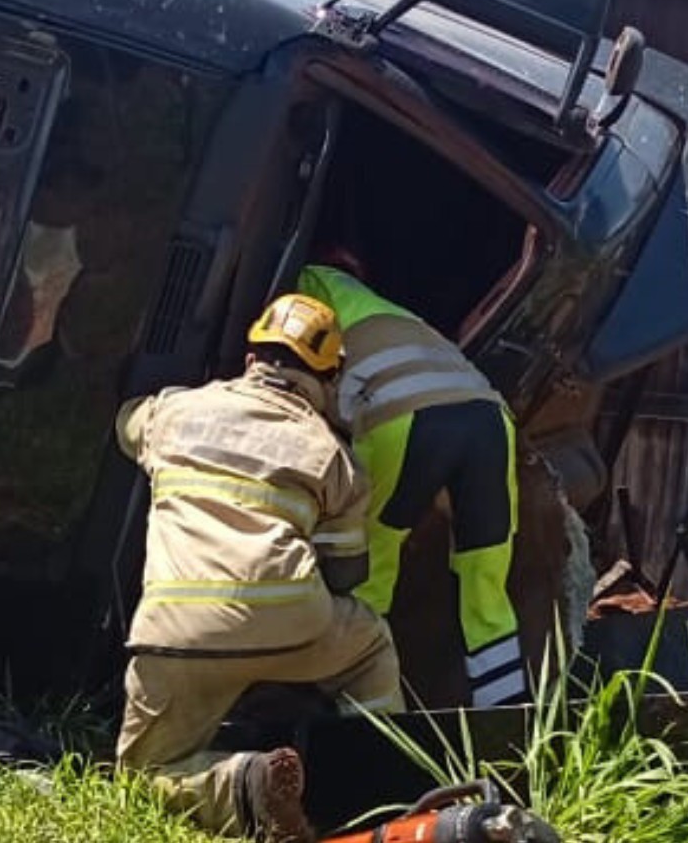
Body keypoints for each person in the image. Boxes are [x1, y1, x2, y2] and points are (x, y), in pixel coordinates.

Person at [113, 293, 404, 842]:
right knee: (370, 644)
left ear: (251, 359)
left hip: (177, 634)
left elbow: (127, 421)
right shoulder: (333, 455)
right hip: (292, 624)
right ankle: (378, 789)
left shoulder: (175, 413)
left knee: (143, 775)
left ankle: (242, 784)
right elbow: (346, 575)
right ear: (329, 378)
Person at [296, 252, 527, 709]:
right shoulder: (402, 316)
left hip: (404, 417)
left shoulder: (310, 281)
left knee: (369, 574)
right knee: (486, 592)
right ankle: (509, 729)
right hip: (490, 418)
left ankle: (363, 721)